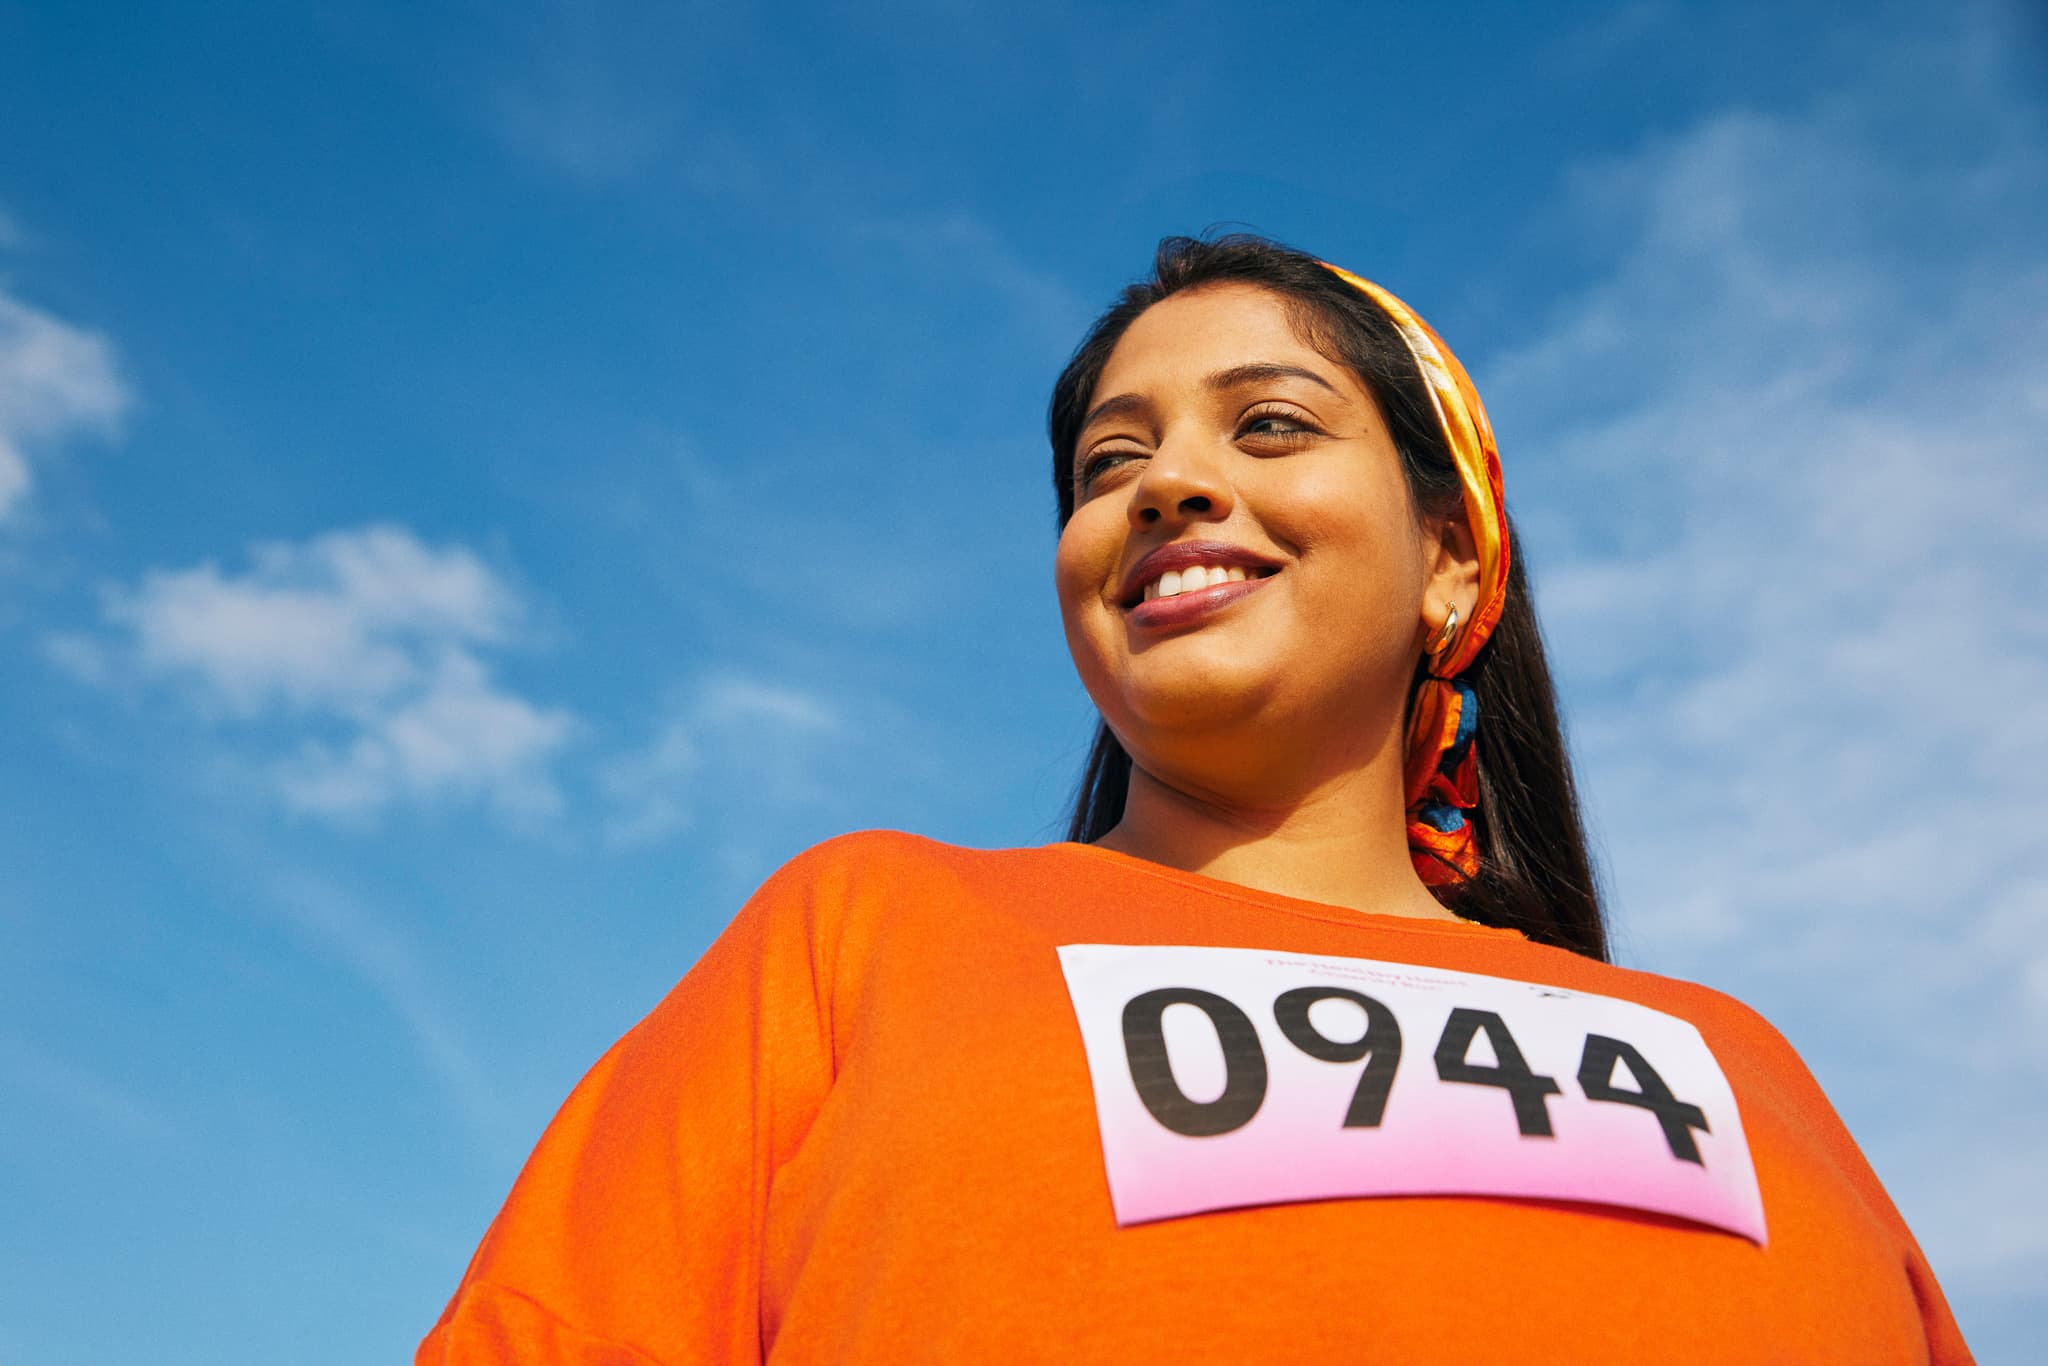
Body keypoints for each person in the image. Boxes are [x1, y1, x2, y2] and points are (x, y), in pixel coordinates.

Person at [417, 236, 1971, 1363]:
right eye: (1110, 462)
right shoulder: (862, 937)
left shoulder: (1745, 1066)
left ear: (1452, 557)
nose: (1165, 484)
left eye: (1271, 422)